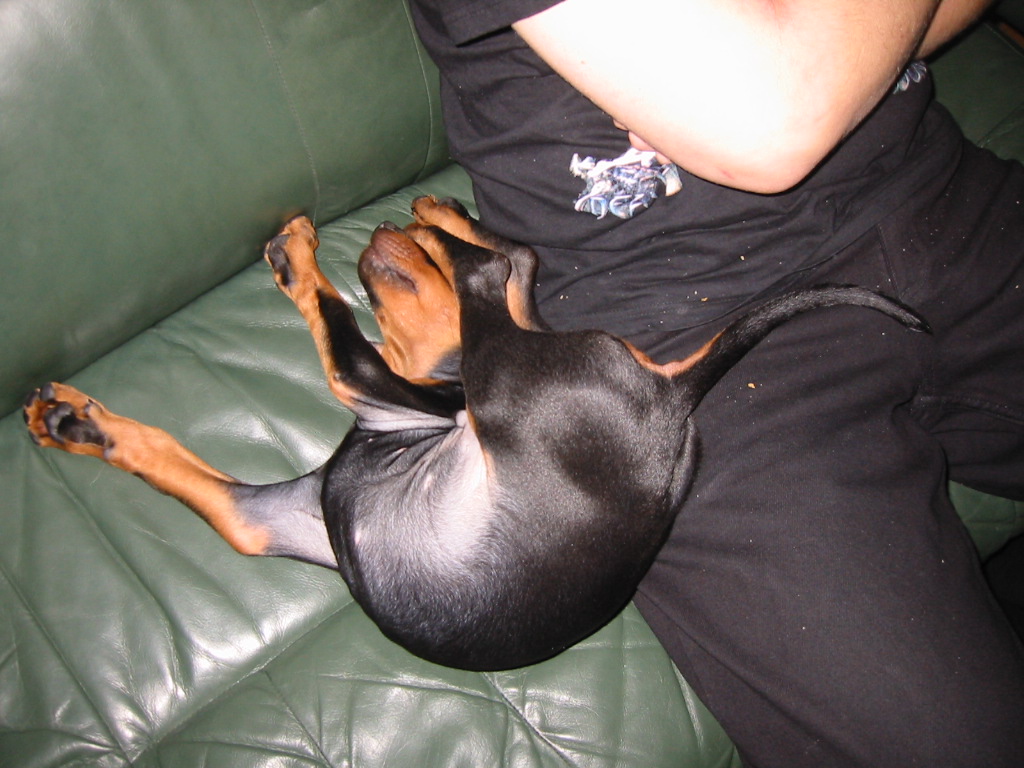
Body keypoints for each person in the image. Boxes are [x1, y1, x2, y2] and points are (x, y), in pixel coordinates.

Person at [407, 1, 1024, 765]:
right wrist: (807, 61)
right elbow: (770, 125)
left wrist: (811, 62)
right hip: (673, 354)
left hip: (930, 187)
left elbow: (781, 99)